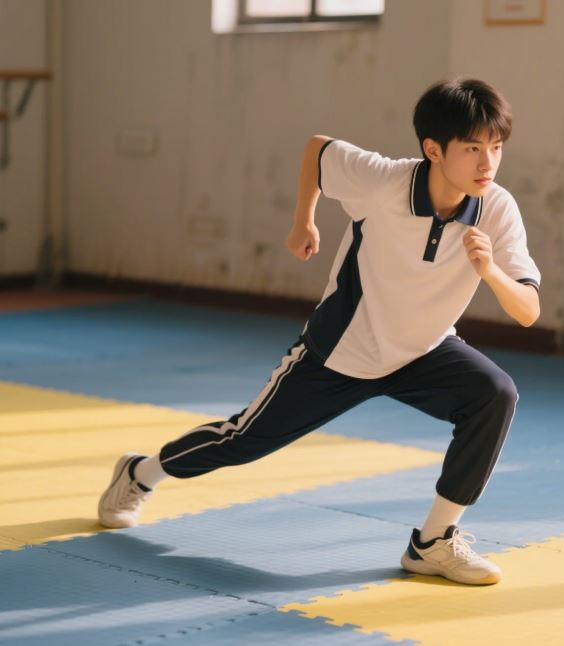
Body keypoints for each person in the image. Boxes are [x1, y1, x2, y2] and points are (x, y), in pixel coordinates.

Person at [98, 78, 540, 586]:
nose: (488, 163)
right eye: (473, 149)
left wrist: (491, 272)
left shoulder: (497, 208)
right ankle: (140, 473)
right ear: (434, 149)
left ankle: (433, 542)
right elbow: (317, 150)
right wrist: (303, 220)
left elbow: (528, 310)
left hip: (424, 349)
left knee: (495, 394)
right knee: (242, 440)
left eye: (496, 148)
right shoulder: (383, 182)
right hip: (341, 351)